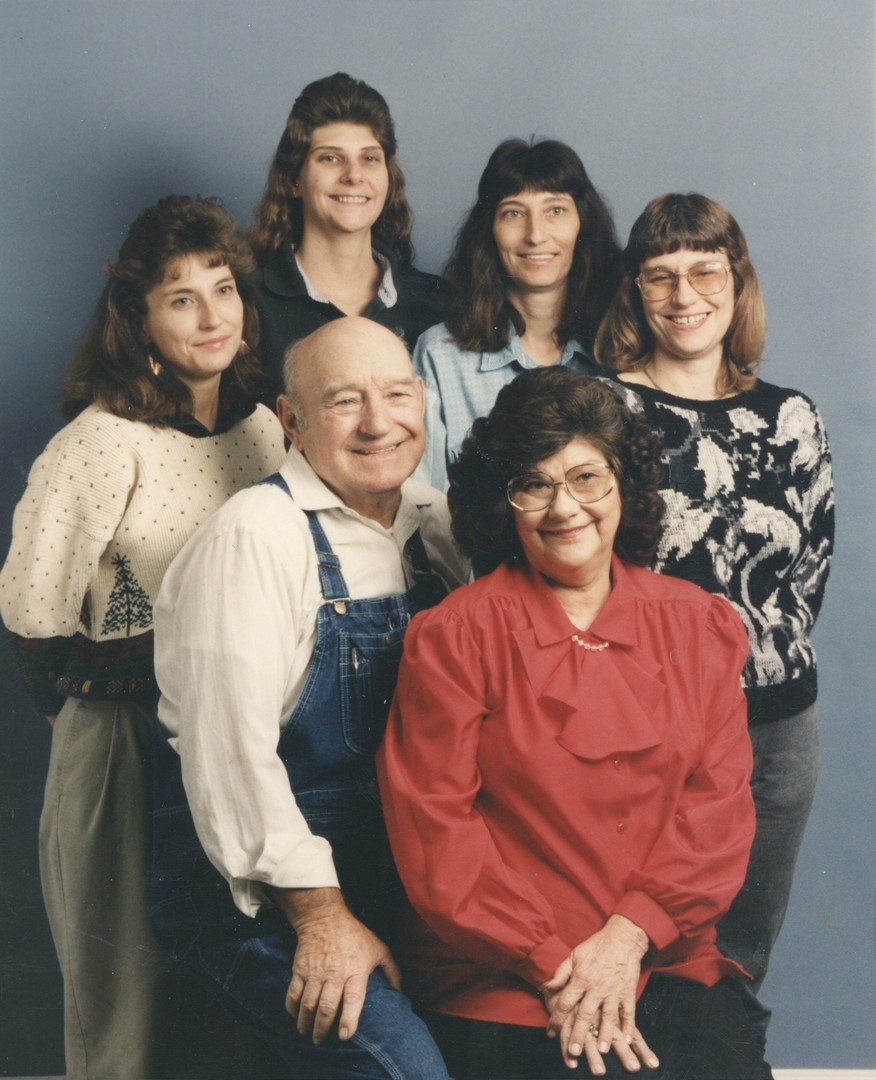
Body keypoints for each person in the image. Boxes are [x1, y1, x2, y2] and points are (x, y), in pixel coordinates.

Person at [377, 368, 774, 1079]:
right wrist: (555, 967)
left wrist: (627, 941)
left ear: (624, 484)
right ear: (502, 502)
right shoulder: (456, 635)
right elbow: (435, 832)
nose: (564, 507)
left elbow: (717, 812)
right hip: (503, 974)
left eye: (587, 477)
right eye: (533, 484)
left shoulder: (698, 624)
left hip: (659, 957)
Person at [0, 195, 285, 1079]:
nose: (211, 316)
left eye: (223, 289)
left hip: (239, 736)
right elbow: (32, 610)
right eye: (180, 299)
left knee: (233, 1001)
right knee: (122, 1003)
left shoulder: (263, 429)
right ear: (138, 318)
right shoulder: (100, 442)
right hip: (123, 735)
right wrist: (92, 712)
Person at [149, 317, 468, 1079]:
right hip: (264, 895)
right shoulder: (255, 535)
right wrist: (323, 918)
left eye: (396, 395)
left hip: (395, 873)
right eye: (344, 401)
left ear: (422, 399)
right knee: (404, 1072)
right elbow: (230, 759)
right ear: (291, 420)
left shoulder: (435, 522)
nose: (378, 423)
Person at [594, 192, 834, 1032]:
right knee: (633, 945)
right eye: (660, 276)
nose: (684, 294)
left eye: (705, 272)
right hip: (647, 726)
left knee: (739, 955)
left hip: (776, 729)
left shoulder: (792, 417)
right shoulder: (603, 411)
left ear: (738, 284)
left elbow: (808, 572)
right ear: (635, 290)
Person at [413, 137, 621, 490]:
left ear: (583, 224)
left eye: (555, 210)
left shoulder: (620, 348)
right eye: (513, 213)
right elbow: (424, 500)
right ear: (489, 230)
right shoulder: (440, 355)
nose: (535, 235)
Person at [250, 72, 446, 396]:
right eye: (330, 158)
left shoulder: (441, 303)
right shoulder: (246, 304)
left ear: (388, 178)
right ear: (294, 180)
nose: (354, 175)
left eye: (369, 158)